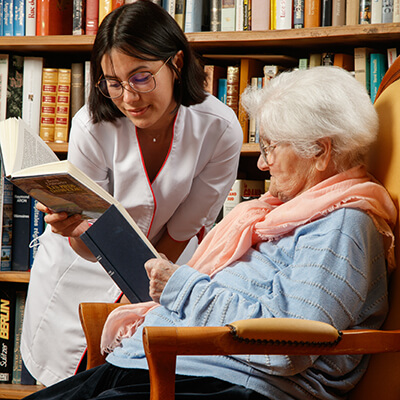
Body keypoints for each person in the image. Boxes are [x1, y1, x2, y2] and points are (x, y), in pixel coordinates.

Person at [22, 65, 397, 399]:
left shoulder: (343, 225)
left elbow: (290, 346)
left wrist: (182, 287)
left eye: (270, 148)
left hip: (226, 380)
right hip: (163, 364)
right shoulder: (270, 214)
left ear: (320, 151)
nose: (263, 164)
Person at [20, 0, 243, 386]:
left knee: (134, 379)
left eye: (141, 77)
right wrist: (73, 227)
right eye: (114, 82)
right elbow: (86, 243)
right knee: (65, 381)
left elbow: (183, 229)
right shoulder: (91, 126)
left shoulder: (220, 129)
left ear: (175, 62)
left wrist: (143, 289)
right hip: (81, 268)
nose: (129, 97)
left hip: (163, 262)